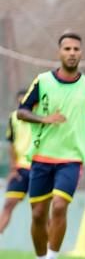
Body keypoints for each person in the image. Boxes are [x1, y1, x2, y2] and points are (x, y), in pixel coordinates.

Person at [18, 32, 85, 259]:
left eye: (76, 49)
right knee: (38, 214)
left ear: (81, 53)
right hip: (42, 156)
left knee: (59, 206)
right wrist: (44, 118)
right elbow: (22, 112)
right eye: (67, 48)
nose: (72, 53)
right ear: (59, 52)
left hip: (71, 158)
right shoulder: (43, 81)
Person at [0, 90, 31, 236]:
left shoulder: (41, 118)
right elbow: (11, 144)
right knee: (7, 205)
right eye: (20, 102)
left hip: (39, 169)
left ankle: (49, 252)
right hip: (20, 170)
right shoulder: (14, 118)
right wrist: (13, 168)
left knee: (40, 211)